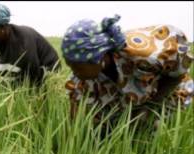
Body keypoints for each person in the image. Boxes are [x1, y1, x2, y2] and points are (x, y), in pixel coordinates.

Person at [61, 15, 194, 130]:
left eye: (76, 66)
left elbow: (177, 75)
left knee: (152, 127)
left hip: (169, 93)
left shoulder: (144, 56)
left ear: (97, 57)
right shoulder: (81, 79)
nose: (73, 72)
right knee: (110, 126)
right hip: (131, 101)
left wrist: (150, 108)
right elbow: (76, 118)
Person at [0, 3, 61, 86]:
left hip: (46, 70)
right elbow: (0, 71)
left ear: (3, 27)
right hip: (25, 72)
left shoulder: (24, 43)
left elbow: (34, 76)